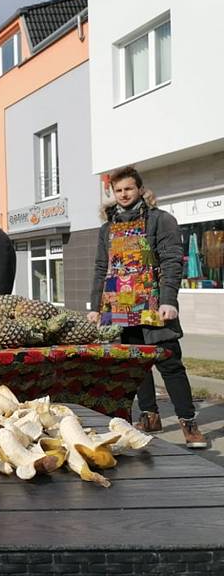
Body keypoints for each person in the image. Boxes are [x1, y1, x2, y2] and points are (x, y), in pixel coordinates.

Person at [87, 166, 208, 449]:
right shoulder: (107, 228)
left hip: (155, 304)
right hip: (121, 306)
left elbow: (171, 261)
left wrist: (168, 300)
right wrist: (96, 306)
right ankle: (150, 415)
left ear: (140, 189)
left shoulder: (161, 220)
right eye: (118, 190)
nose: (124, 194)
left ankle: (188, 421)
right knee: (137, 367)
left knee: (170, 365)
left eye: (129, 189)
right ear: (112, 193)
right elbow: (101, 268)